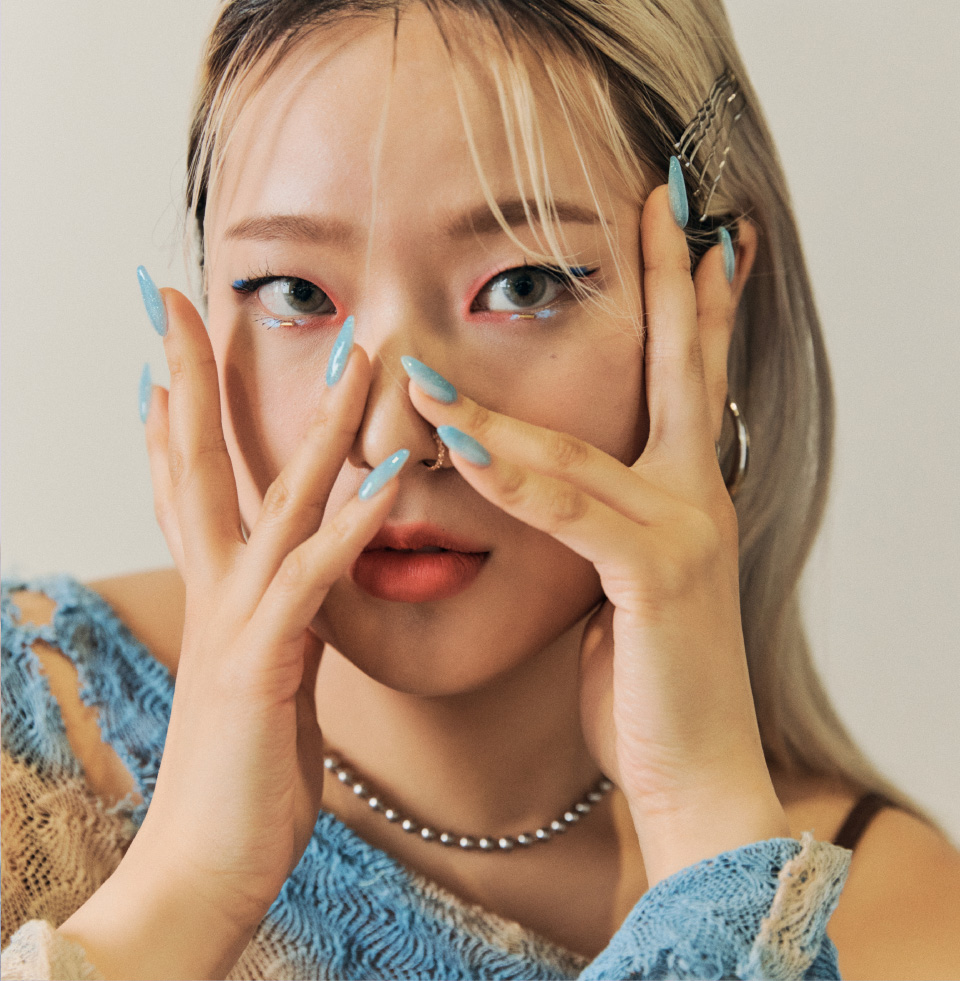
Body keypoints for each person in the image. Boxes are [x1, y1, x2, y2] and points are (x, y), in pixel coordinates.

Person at [2, 1, 958, 978]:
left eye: (522, 287)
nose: (390, 433)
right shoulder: (23, 743)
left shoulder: (899, 927)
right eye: (296, 293)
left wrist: (708, 839)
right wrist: (184, 886)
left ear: (708, 297)